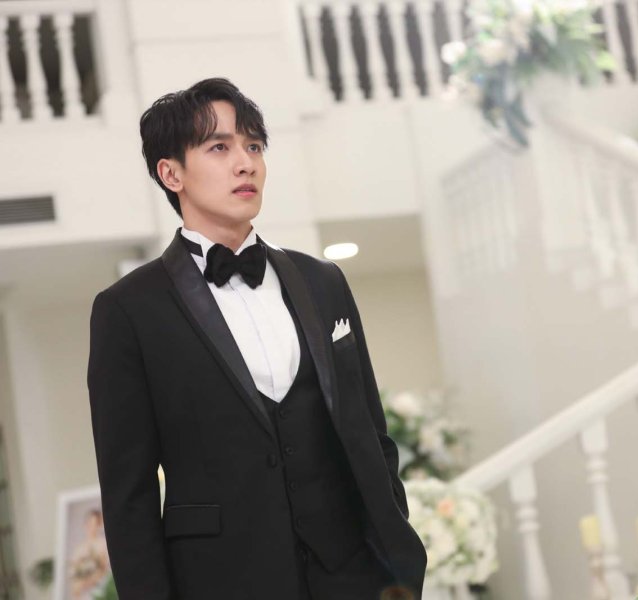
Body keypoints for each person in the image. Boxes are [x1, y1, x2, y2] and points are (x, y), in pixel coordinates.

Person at [87, 77, 426, 600]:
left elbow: (371, 432)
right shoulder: (128, 310)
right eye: (219, 148)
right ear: (171, 173)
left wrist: (398, 557)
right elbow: (128, 495)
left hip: (354, 578)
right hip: (222, 582)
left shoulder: (323, 281)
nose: (245, 163)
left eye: (254, 146)